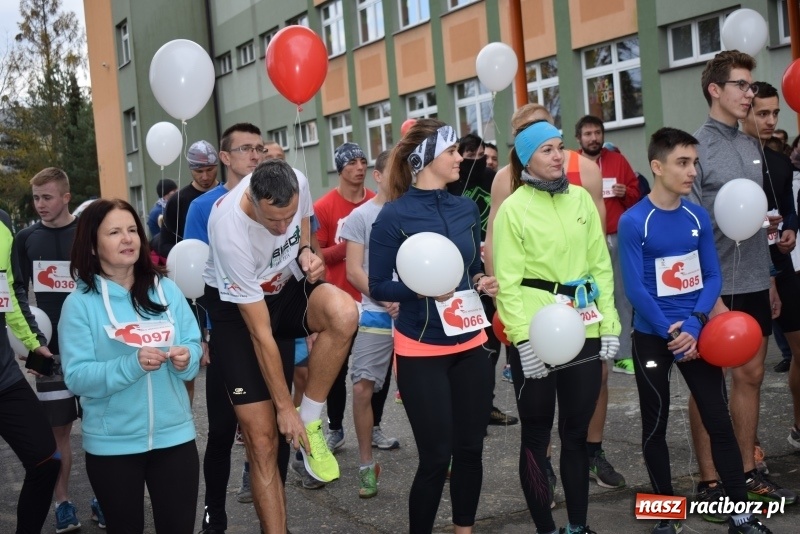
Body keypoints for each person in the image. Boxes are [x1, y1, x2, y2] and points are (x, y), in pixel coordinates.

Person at [619, 127, 772, 534]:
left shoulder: (696, 215)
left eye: (694, 162)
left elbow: (712, 277)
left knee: (718, 421)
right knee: (655, 424)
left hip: (696, 335)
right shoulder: (636, 221)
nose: (692, 171)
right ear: (658, 166)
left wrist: (693, 325)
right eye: (682, 163)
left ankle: (741, 516)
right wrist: (672, 333)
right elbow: (635, 289)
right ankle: (663, 517)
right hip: (654, 336)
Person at [203, 158, 355, 533]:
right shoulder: (229, 230)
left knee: (344, 312)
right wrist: (283, 406)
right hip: (237, 314)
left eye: (287, 216)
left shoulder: (296, 180)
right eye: (273, 221)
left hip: (283, 286)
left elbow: (304, 227)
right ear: (252, 198)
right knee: (263, 438)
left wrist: (306, 252)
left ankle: (312, 419)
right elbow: (260, 333)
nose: (281, 227)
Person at [369, 118, 498, 533]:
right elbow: (377, 284)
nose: (462, 157)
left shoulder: (464, 208)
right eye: (452, 152)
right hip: (421, 348)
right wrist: (420, 290)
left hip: (472, 342)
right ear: (425, 160)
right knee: (436, 458)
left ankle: (465, 529)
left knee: (470, 450)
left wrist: (482, 281)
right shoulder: (392, 216)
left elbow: (472, 268)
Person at [494, 120, 620, 534]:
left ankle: (578, 526)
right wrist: (522, 339)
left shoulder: (582, 198)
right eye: (547, 149)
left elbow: (600, 265)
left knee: (576, 432)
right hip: (537, 332)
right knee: (535, 433)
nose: (558, 156)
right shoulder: (513, 208)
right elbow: (508, 283)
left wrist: (610, 325)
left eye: (560, 148)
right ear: (527, 156)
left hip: (581, 326)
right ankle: (546, 529)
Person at [688, 51, 796, 519]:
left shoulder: (752, 144)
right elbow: (690, 224)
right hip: (714, 286)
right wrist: (704, 298)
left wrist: (770, 278)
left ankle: (746, 476)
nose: (750, 94)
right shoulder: (697, 147)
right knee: (707, 386)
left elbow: (752, 219)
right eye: (742, 85)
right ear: (716, 89)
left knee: (750, 376)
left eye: (752, 86)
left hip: (754, 277)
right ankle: (711, 481)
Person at [59, 199, 202, 533]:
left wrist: (186, 358)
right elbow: (78, 377)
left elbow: (194, 347)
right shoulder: (79, 304)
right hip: (112, 446)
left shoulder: (166, 290)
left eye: (132, 230)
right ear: (92, 246)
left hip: (175, 439)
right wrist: (132, 364)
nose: (128, 239)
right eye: (114, 232)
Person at [184, 123, 280, 531]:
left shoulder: (276, 194)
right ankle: (214, 513)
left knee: (268, 432)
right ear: (225, 158)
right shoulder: (204, 207)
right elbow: (192, 274)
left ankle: (268, 508)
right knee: (222, 429)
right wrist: (202, 334)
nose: (255, 155)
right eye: (244, 149)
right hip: (224, 328)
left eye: (259, 148)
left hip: (266, 324)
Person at [12, 168, 99, 532]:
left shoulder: (88, 233)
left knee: (98, 428)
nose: (40, 204)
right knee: (57, 433)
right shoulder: (25, 239)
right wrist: (32, 347)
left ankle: (104, 498)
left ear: (66, 197)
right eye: (36, 198)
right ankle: (63, 504)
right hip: (50, 355)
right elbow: (16, 296)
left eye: (47, 197)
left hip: (94, 351)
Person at [315, 142, 399, 454]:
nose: (358, 167)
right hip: (343, 302)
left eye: (362, 161)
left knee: (380, 372)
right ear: (340, 169)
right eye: (351, 163)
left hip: (379, 303)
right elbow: (316, 255)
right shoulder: (325, 207)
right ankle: (335, 428)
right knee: (337, 369)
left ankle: (374, 425)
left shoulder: (388, 205)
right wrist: (349, 245)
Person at [740, 82, 800, 464]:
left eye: (776, 113)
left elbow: (789, 209)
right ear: (744, 111)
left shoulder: (779, 162)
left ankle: (798, 427)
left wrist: (790, 229)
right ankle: (750, 448)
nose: (771, 120)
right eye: (763, 113)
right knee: (751, 367)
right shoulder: (734, 162)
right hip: (747, 273)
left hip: (785, 266)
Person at [341, 149, 399, 499]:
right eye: (394, 170)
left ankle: (442, 456)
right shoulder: (361, 216)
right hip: (377, 313)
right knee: (362, 388)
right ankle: (366, 466)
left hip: (415, 313)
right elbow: (352, 270)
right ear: (377, 176)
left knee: (428, 390)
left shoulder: (415, 209)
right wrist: (385, 297)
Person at [0, 207, 61, 534]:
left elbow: (8, 290)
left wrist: (33, 342)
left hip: (5, 379)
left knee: (46, 461)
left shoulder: (2, 222)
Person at [450, 132, 518, 427]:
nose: (470, 160)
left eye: (476, 153)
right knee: (467, 343)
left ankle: (486, 406)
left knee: (493, 340)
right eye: (465, 153)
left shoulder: (496, 179)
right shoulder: (451, 184)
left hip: (497, 269)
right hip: (461, 274)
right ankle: (467, 410)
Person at [575, 115, 639, 378]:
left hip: (615, 236)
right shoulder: (570, 164)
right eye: (588, 134)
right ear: (578, 138)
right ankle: (585, 353)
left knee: (622, 297)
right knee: (584, 297)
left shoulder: (617, 160)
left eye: (597, 133)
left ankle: (623, 356)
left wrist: (627, 193)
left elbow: (637, 195)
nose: (593, 138)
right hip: (581, 241)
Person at [156, 140, 220, 259]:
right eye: (199, 171)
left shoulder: (228, 193)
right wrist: (189, 254)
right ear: (190, 169)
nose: (205, 177)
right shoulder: (177, 201)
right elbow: (164, 245)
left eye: (210, 170)